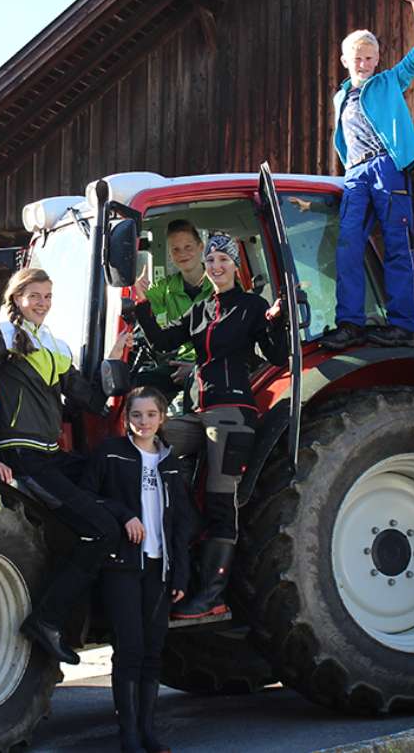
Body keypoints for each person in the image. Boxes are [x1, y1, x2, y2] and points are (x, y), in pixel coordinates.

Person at [0, 267, 125, 665]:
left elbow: (88, 400)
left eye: (47, 296)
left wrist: (117, 360)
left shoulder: (55, 346)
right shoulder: (1, 334)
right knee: (101, 529)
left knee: (114, 474)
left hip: (50, 455)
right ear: (17, 297)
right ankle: (47, 620)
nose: (41, 303)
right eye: (34, 295)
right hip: (20, 455)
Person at [131, 233, 286, 619]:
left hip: (232, 412)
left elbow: (278, 354)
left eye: (223, 259)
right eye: (212, 259)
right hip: (200, 411)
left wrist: (278, 322)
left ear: (236, 265)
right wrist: (143, 303)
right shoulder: (203, 309)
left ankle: (213, 594)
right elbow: (164, 342)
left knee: (222, 500)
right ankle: (179, 527)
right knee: (157, 437)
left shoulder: (252, 306)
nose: (216, 266)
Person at [321, 0, 414, 350]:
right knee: (348, 244)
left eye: (370, 57)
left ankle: (402, 322)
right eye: (358, 58)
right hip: (355, 172)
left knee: (397, 243)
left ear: (378, 59)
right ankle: (350, 321)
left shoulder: (387, 82)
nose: (364, 64)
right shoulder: (341, 98)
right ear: (344, 60)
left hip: (387, 166)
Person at [82, 387, 192, 753]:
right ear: (126, 417)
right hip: (123, 566)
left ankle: (148, 731)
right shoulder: (110, 453)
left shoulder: (171, 462)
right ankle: (128, 735)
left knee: (152, 651)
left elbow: (180, 524)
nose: (143, 422)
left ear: (162, 417)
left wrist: (180, 574)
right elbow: (87, 498)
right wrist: (123, 514)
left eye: (150, 415)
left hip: (160, 569)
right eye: (136, 415)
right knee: (128, 650)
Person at [138, 219, 213, 404]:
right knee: (138, 385)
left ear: (201, 247)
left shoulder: (220, 287)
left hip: (213, 364)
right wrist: (137, 290)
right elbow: (141, 302)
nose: (183, 254)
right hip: (177, 362)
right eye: (176, 249)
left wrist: (197, 369)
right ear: (170, 255)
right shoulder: (165, 288)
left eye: (188, 247)